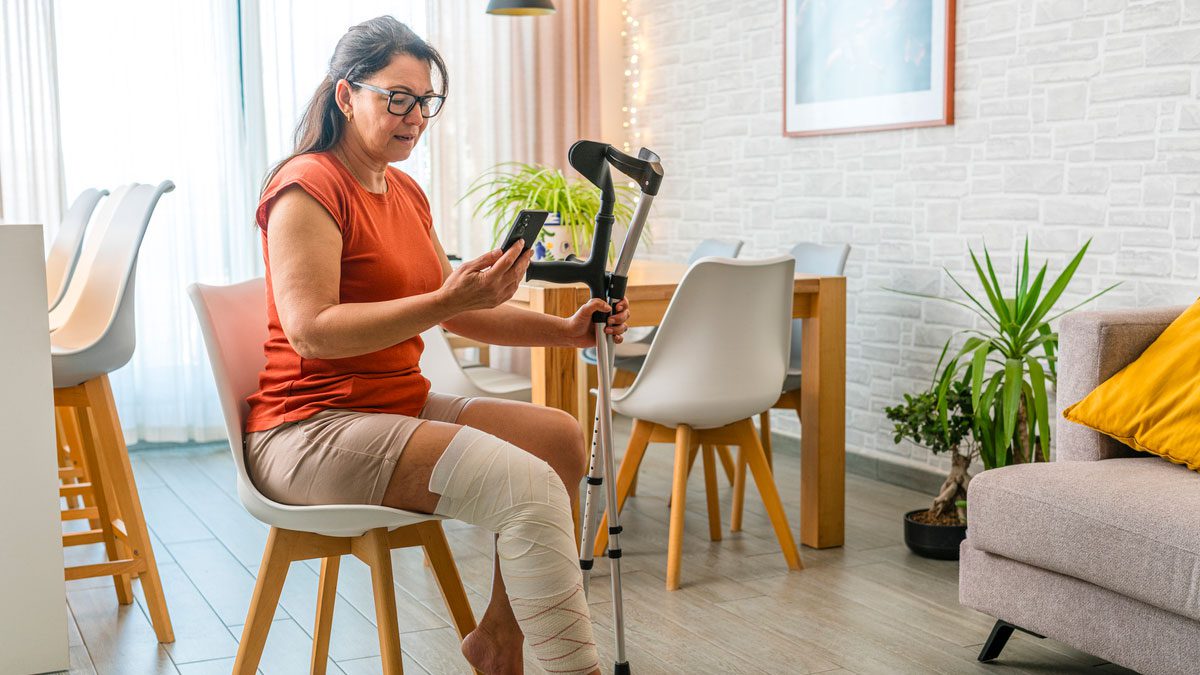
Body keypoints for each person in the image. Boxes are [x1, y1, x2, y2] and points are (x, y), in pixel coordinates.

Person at [243, 16, 629, 675]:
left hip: (397, 408)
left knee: (560, 438)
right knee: (529, 487)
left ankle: (498, 642)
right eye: (398, 97)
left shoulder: (404, 191)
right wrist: (448, 299)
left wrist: (566, 332)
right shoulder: (307, 186)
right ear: (346, 95)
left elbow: (457, 313)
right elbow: (311, 329)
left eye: (425, 102)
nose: (415, 116)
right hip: (311, 430)